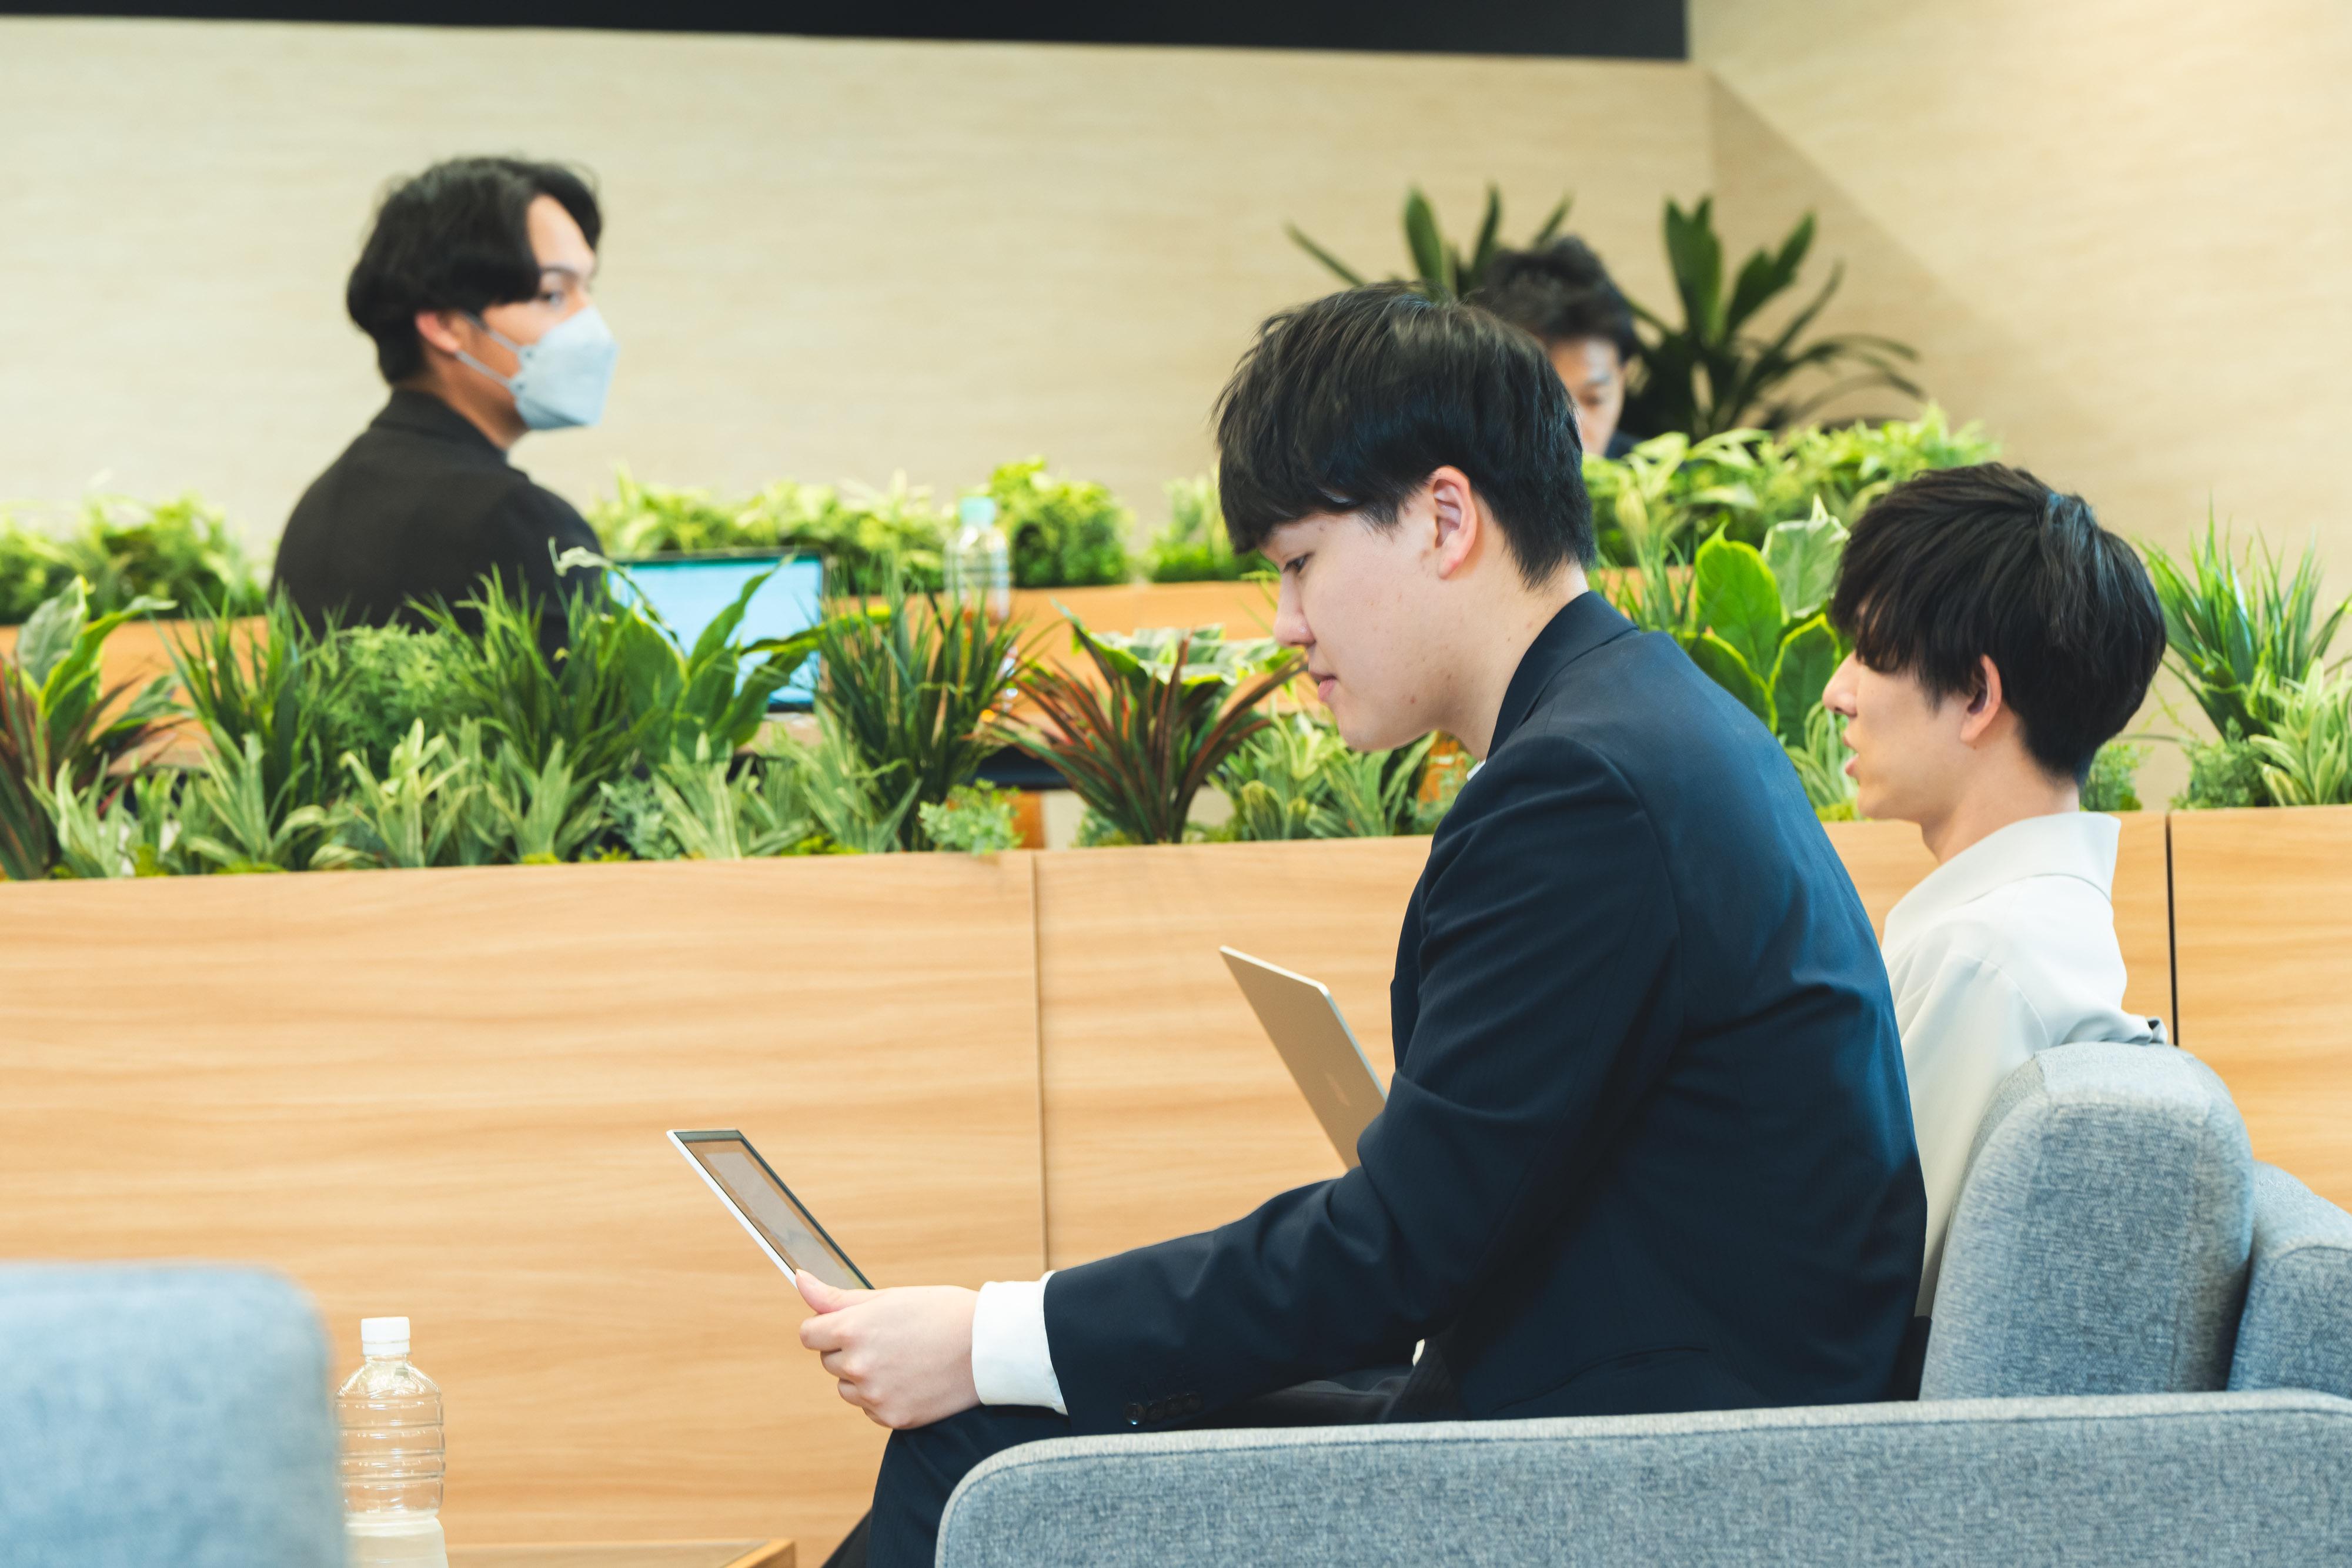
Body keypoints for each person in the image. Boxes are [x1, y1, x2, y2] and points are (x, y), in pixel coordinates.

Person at [797, 284, 1925, 1567]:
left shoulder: (1582, 788)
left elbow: (1397, 1251)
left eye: (1299, 564)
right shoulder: (1643, 720)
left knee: (975, 1443)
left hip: (1637, 1480)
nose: (1286, 626)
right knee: (1020, 1429)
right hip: (1632, 1415)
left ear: (1445, 519)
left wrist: (988, 1335)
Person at [1821, 463, 2168, 1312]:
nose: (1838, 693)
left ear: (1977, 694)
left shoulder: (1982, 960)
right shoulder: (2036, 932)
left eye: (1870, 655)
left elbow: (1853, 1286)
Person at [272, 156, 614, 650]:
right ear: (446, 324)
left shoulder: (320, 507)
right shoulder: (517, 522)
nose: (590, 324)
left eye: (588, 289)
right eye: (552, 295)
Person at [1471, 236, 1641, 457]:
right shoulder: (1452, 476)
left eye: (1594, 399)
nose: (1573, 435)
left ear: (1622, 379)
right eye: (1542, 404)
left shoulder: (1672, 475)